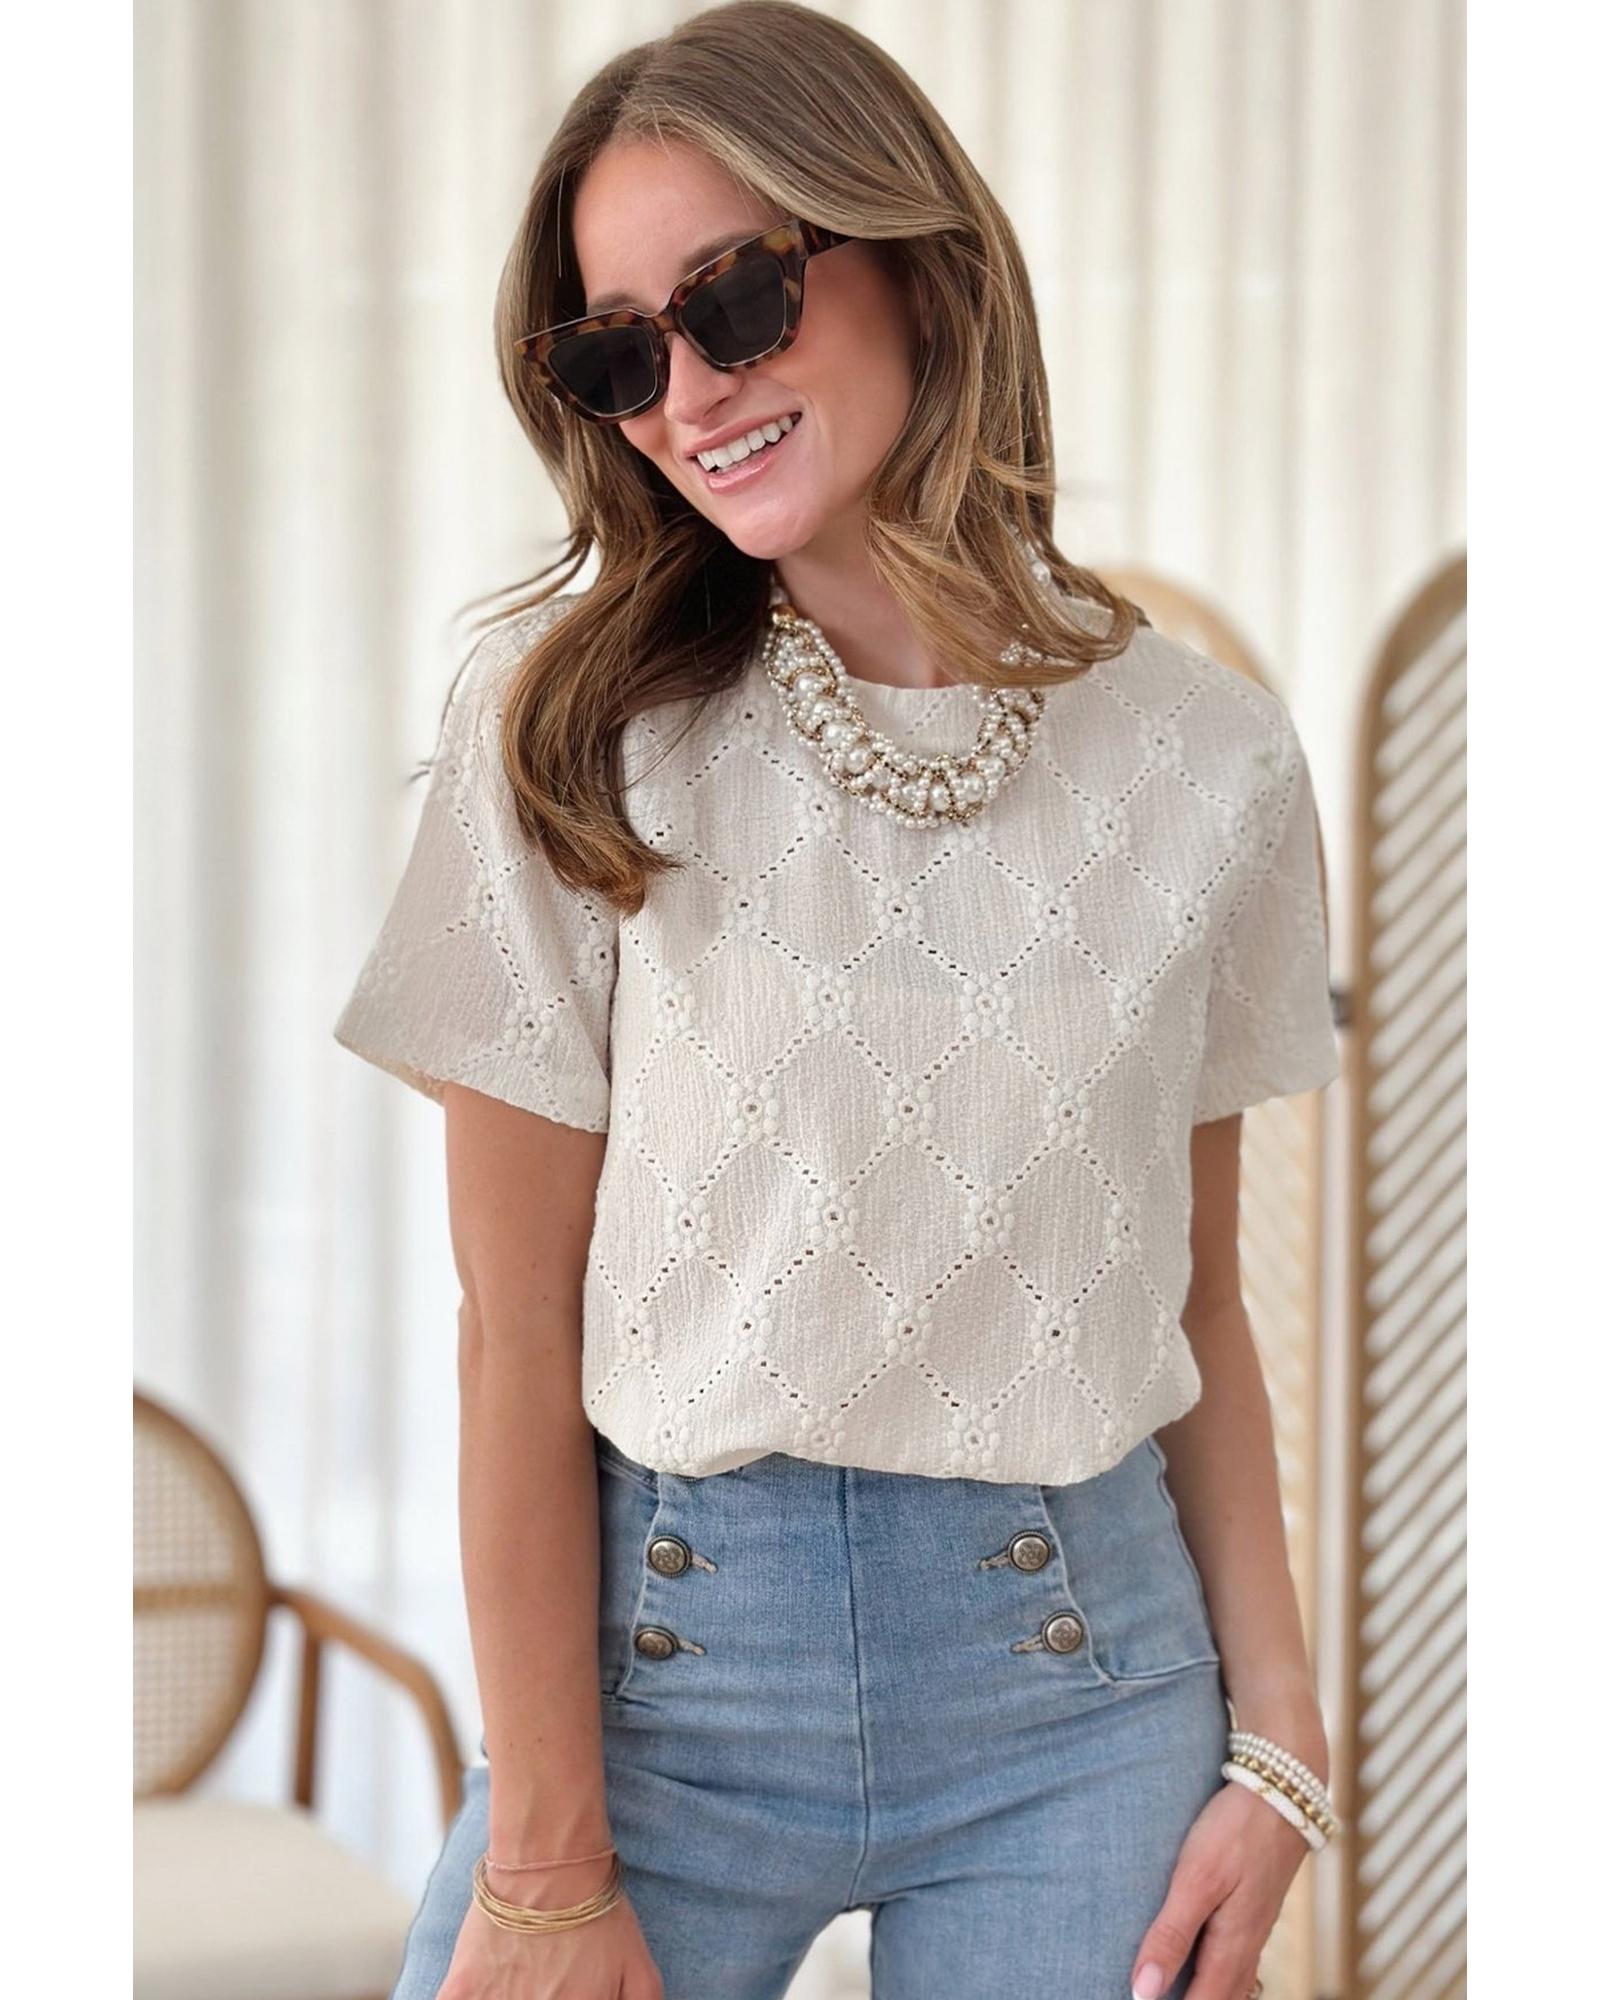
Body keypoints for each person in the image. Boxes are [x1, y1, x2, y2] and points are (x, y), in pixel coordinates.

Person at [333, 4, 1343, 1996]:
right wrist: (546, 1863)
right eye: (619, 356)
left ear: (912, 256)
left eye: (734, 299)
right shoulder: (569, 735)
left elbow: (1197, 1305)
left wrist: (1283, 1744)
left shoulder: (1205, 759)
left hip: (1083, 1689)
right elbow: (511, 1334)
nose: (691, 391)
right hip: (664, 1688)